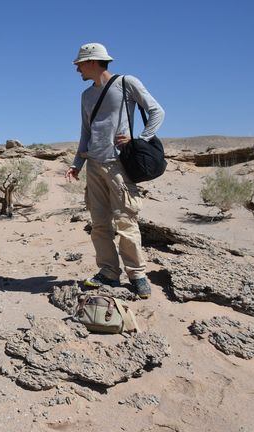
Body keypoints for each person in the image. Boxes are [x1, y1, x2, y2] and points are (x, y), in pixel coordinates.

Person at [65, 43, 165, 299]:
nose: (77, 69)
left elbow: (156, 111)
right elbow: (85, 132)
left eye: (80, 64)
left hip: (118, 164)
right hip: (95, 166)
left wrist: (140, 138)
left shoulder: (126, 83)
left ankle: (137, 275)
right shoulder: (85, 96)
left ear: (93, 62)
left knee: (126, 221)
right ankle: (108, 271)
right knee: (99, 224)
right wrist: (77, 164)